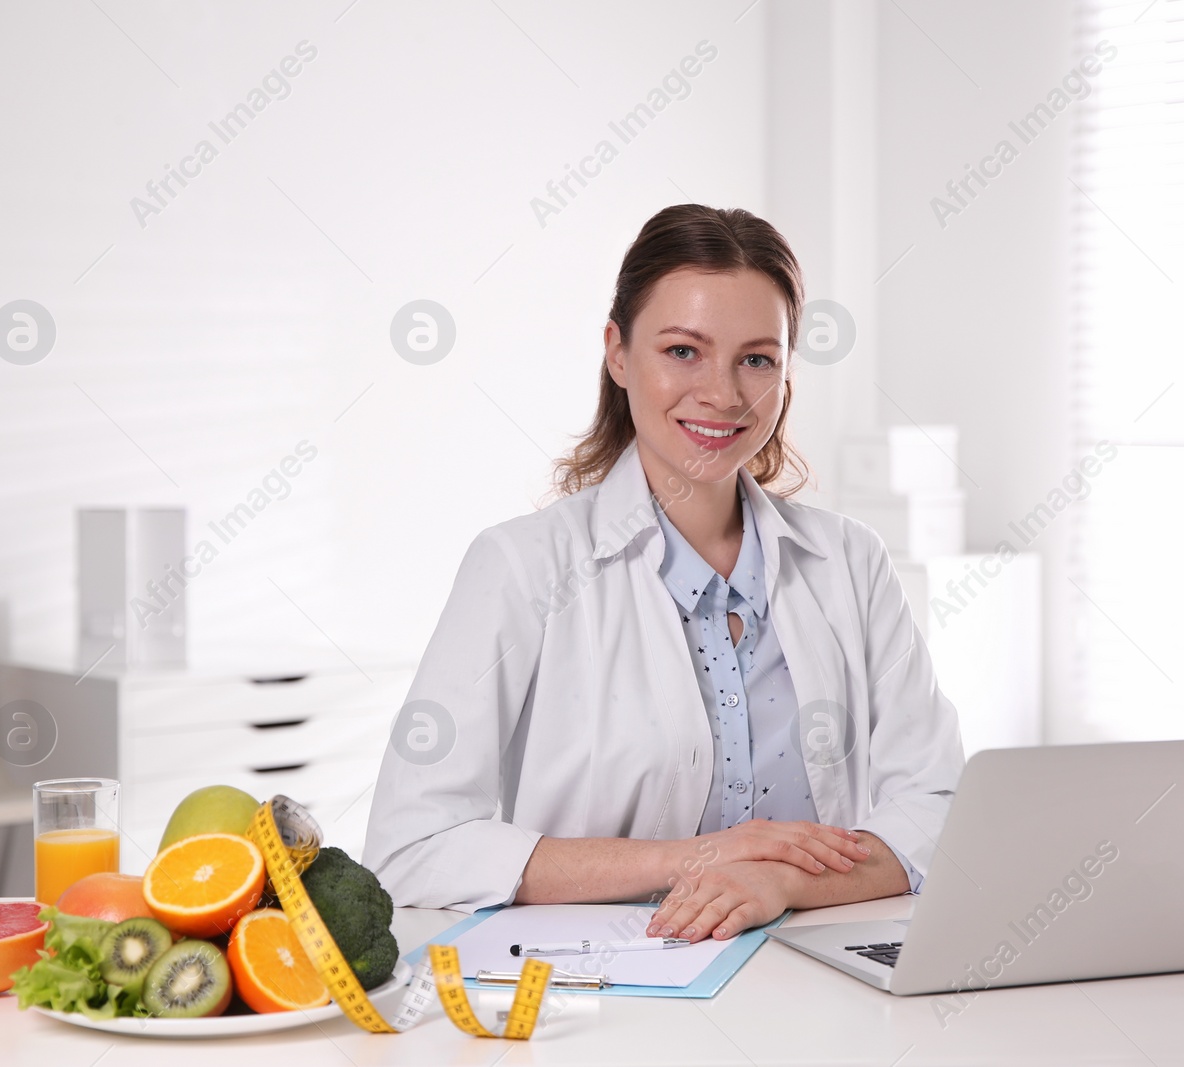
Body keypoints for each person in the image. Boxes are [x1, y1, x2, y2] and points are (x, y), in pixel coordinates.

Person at [363, 204, 964, 943]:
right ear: (618, 352)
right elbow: (413, 846)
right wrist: (698, 860)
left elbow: (937, 806)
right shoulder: (521, 567)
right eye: (683, 351)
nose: (723, 393)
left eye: (757, 358)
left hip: (816, 979)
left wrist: (778, 879)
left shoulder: (851, 562)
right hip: (605, 993)